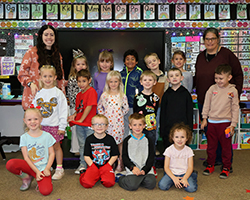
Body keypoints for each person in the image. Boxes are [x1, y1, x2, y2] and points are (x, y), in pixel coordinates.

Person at [194, 27, 243, 168]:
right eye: (207, 39)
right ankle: (214, 159)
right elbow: (198, 77)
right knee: (211, 134)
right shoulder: (200, 57)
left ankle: (226, 162)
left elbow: (238, 74)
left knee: (224, 134)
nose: (210, 42)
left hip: (224, 104)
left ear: (218, 39)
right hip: (205, 101)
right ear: (203, 41)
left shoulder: (226, 54)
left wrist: (235, 93)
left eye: (212, 39)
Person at [6, 107, 56, 196]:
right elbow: (26, 157)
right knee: (10, 164)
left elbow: (52, 153)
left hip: (43, 169)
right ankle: (26, 177)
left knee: (46, 191)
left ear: (41, 119)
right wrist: (36, 171)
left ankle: (40, 178)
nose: (32, 122)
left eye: (36, 119)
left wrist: (47, 168)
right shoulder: (24, 137)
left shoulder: (47, 136)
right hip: (30, 166)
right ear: (25, 121)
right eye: (29, 119)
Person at [201, 64, 239, 179]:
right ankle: (210, 165)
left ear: (229, 77)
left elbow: (235, 108)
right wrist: (204, 118)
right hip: (212, 123)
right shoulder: (212, 89)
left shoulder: (233, 91)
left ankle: (226, 167)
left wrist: (233, 125)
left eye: (221, 78)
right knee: (211, 146)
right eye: (216, 78)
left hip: (225, 124)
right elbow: (206, 104)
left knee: (226, 147)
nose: (218, 81)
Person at [18, 24, 67, 110]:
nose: (49, 37)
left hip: (52, 103)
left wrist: (63, 99)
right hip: (34, 100)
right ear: (41, 36)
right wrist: (30, 83)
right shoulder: (31, 53)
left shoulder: (57, 55)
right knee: (34, 123)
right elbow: (22, 73)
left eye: (52, 35)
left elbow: (61, 78)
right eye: (46, 34)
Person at [32, 65, 68, 180]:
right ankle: (46, 166)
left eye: (50, 76)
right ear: (41, 78)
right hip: (41, 127)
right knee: (43, 147)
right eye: (45, 76)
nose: (47, 79)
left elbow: (63, 111)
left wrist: (62, 126)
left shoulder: (58, 93)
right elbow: (34, 109)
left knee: (56, 147)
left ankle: (59, 168)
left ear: (55, 77)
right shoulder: (39, 93)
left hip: (54, 126)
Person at [97, 70, 129, 172]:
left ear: (119, 82)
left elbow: (126, 108)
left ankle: (120, 162)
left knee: (119, 143)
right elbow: (99, 107)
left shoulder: (122, 95)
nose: (113, 84)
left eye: (116, 81)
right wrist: (104, 116)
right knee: (108, 142)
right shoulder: (104, 95)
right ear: (108, 83)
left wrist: (118, 115)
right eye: (111, 82)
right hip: (107, 124)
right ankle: (108, 163)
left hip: (118, 124)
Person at [67, 69, 97, 174]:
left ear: (89, 80)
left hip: (88, 124)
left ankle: (92, 165)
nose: (81, 84)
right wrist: (73, 116)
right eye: (79, 81)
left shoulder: (92, 91)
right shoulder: (79, 94)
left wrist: (81, 119)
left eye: (84, 81)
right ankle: (83, 164)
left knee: (91, 145)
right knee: (82, 145)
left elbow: (88, 107)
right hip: (80, 125)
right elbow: (79, 109)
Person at [79, 114, 119, 188]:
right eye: (96, 124)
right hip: (93, 165)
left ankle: (100, 176)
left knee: (109, 183)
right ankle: (83, 173)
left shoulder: (110, 139)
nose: (99, 126)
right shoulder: (89, 139)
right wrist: (93, 166)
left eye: (102, 124)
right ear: (92, 127)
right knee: (87, 184)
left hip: (106, 166)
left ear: (107, 126)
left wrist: (108, 165)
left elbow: (115, 155)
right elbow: (86, 156)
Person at [118, 113, 156, 191]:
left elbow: (151, 157)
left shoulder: (148, 140)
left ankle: (138, 179)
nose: (137, 127)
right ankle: (121, 178)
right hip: (133, 169)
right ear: (130, 126)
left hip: (145, 170)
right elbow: (125, 157)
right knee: (132, 186)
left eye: (140, 124)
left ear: (144, 125)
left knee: (151, 184)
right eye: (135, 125)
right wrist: (132, 168)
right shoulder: (127, 140)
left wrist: (145, 170)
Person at [158, 123, 197, 193]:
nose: (179, 140)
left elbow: (190, 167)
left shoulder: (189, 150)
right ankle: (176, 181)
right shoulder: (168, 150)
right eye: (176, 137)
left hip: (184, 173)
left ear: (187, 138)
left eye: (182, 137)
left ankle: (192, 176)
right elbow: (166, 167)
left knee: (191, 189)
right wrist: (174, 178)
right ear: (172, 138)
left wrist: (185, 178)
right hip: (172, 173)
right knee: (162, 186)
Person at [160, 68, 193, 150]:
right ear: (168, 80)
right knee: (169, 148)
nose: (174, 77)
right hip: (168, 127)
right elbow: (163, 113)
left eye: (177, 75)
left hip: (183, 126)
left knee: (182, 148)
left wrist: (190, 128)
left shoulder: (186, 94)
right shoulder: (166, 94)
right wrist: (162, 129)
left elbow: (189, 111)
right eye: (171, 76)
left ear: (181, 78)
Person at [144, 53, 169, 154]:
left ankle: (157, 147)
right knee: (150, 127)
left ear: (159, 61)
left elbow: (167, 92)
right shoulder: (147, 77)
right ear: (147, 66)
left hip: (160, 106)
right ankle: (150, 148)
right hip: (149, 107)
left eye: (154, 60)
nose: (152, 63)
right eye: (149, 62)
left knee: (159, 126)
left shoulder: (165, 78)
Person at [67, 49, 89, 155]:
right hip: (75, 108)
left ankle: (85, 147)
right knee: (75, 128)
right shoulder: (72, 79)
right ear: (74, 66)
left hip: (86, 107)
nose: (80, 66)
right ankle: (75, 149)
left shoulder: (89, 78)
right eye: (78, 64)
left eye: (83, 64)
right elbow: (71, 94)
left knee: (85, 128)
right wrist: (75, 108)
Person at [133, 70, 159, 150]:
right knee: (139, 147)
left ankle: (151, 162)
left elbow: (155, 111)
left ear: (154, 82)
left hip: (151, 127)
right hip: (139, 128)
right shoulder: (137, 97)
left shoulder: (156, 98)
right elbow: (135, 112)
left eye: (150, 80)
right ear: (141, 82)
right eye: (145, 80)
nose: (147, 82)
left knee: (151, 146)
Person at [120, 49, 143, 140]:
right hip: (122, 105)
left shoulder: (140, 73)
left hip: (134, 105)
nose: (130, 61)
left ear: (136, 61)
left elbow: (142, 88)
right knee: (125, 126)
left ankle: (136, 143)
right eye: (127, 59)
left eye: (132, 59)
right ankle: (126, 144)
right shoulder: (121, 74)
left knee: (135, 125)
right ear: (124, 62)